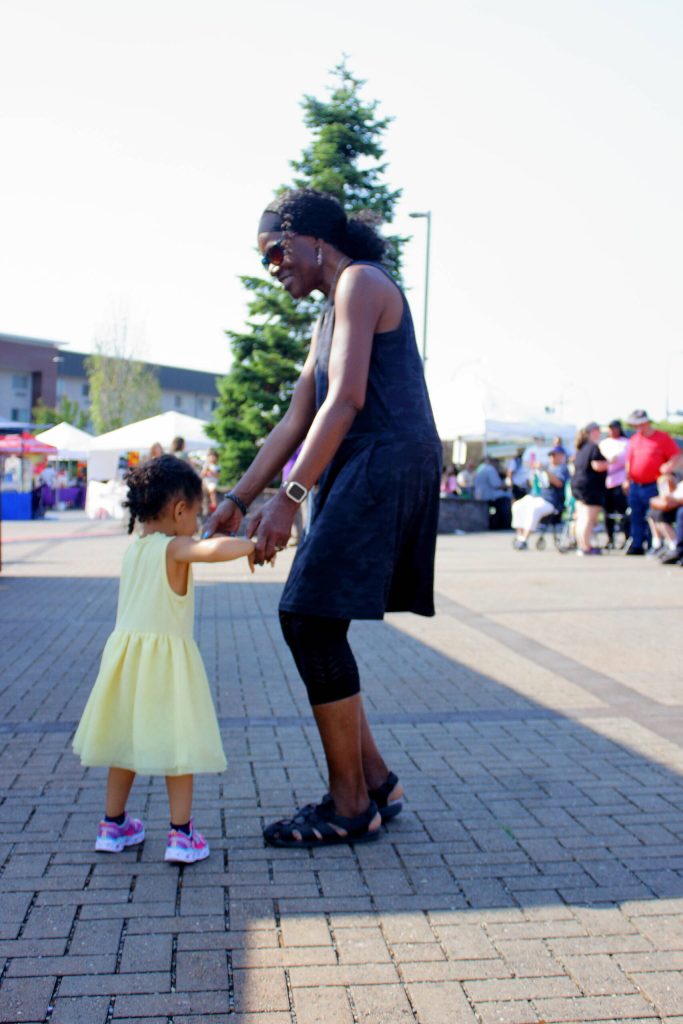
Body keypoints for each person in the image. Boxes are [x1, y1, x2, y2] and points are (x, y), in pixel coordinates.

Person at [205, 188, 442, 849]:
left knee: (308, 619)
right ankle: (377, 784)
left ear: (313, 240)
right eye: (264, 260)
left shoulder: (361, 283)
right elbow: (296, 417)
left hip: (383, 458)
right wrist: (235, 500)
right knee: (313, 620)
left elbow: (346, 401)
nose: (271, 267)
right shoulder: (329, 313)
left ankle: (349, 805)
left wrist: (288, 499)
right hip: (364, 461)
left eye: (275, 252)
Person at [73, 455, 256, 864]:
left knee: (123, 745)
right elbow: (211, 549)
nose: (197, 521)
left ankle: (112, 825)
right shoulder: (175, 548)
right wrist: (252, 544)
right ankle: (180, 835)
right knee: (179, 746)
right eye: (196, 513)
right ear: (178, 510)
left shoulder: (135, 550)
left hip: (126, 664)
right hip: (166, 667)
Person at [625, 409, 682, 555]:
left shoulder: (662, 438)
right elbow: (629, 461)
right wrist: (627, 479)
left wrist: (668, 466)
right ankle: (637, 544)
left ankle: (655, 544)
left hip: (653, 484)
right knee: (636, 516)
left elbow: (676, 456)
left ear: (647, 423)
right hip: (636, 484)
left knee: (653, 515)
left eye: (640, 424)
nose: (637, 428)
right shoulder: (634, 439)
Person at [512, 446, 568, 549]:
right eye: (551, 455)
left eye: (554, 455)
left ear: (561, 456)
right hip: (537, 497)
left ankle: (525, 538)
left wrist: (545, 470)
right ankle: (520, 536)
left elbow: (559, 483)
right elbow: (532, 484)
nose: (552, 457)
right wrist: (534, 473)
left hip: (551, 501)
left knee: (534, 509)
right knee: (518, 505)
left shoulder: (562, 468)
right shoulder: (546, 467)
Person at [571, 422, 608, 556]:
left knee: (581, 518)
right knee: (588, 518)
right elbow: (597, 465)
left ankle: (582, 545)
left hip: (578, 486)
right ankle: (586, 546)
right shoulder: (593, 447)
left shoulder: (581, 449)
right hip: (590, 488)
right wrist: (612, 462)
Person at [599, 419, 629, 548]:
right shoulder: (604, 443)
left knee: (623, 512)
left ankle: (627, 537)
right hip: (606, 481)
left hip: (620, 481)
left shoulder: (626, 443)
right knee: (607, 512)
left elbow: (627, 460)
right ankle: (610, 537)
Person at [474, 457, 511, 529]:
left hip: (480, 494)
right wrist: (506, 486)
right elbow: (496, 484)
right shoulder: (490, 469)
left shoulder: (480, 469)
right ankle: (504, 525)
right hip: (489, 495)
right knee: (506, 500)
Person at [201, 448, 220, 514]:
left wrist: (211, 472)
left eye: (213, 457)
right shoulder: (206, 465)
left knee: (212, 491)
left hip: (212, 482)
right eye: (210, 456)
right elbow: (203, 474)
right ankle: (205, 509)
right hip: (205, 483)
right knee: (204, 496)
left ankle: (214, 504)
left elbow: (217, 475)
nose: (212, 458)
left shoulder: (217, 466)